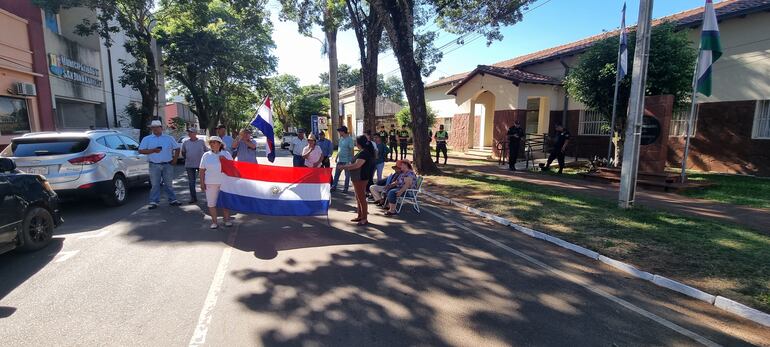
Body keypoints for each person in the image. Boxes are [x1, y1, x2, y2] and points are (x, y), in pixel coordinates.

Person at [138, 120, 182, 209]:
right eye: (153, 127)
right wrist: (153, 150)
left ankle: (172, 199)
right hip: (154, 164)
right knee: (155, 184)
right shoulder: (147, 139)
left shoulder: (169, 138)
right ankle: (154, 201)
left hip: (167, 164)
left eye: (157, 127)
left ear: (161, 128)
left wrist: (175, 159)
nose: (155, 129)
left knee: (168, 183)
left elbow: (177, 148)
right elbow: (141, 150)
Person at [338, 135, 375, 225]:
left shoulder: (364, 153)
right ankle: (360, 216)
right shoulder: (361, 152)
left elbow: (357, 165)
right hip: (356, 177)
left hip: (361, 177)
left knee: (361, 198)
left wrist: (344, 167)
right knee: (358, 197)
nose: (355, 143)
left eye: (356, 141)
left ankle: (364, 218)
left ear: (359, 143)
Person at [199, 136, 233, 229]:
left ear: (220, 144)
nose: (213, 144)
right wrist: (202, 183)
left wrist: (224, 161)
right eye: (211, 143)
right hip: (210, 183)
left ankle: (226, 220)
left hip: (224, 183)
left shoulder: (226, 154)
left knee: (225, 203)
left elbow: (232, 168)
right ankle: (214, 222)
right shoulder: (206, 155)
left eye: (215, 142)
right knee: (211, 203)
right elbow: (201, 170)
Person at [179, 127, 207, 203]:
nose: (189, 134)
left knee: (205, 181)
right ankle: (193, 198)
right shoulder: (185, 142)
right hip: (189, 165)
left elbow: (206, 151)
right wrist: (187, 158)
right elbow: (183, 152)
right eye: (188, 132)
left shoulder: (201, 141)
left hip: (201, 165)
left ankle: (208, 197)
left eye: (191, 132)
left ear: (195, 133)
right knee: (191, 182)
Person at [331, 126, 354, 192]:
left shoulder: (350, 139)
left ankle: (345, 189)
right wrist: (336, 157)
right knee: (336, 174)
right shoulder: (341, 138)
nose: (339, 132)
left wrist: (351, 160)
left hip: (347, 160)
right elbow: (339, 149)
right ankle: (333, 187)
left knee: (347, 176)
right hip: (340, 160)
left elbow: (352, 150)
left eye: (340, 131)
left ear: (343, 131)